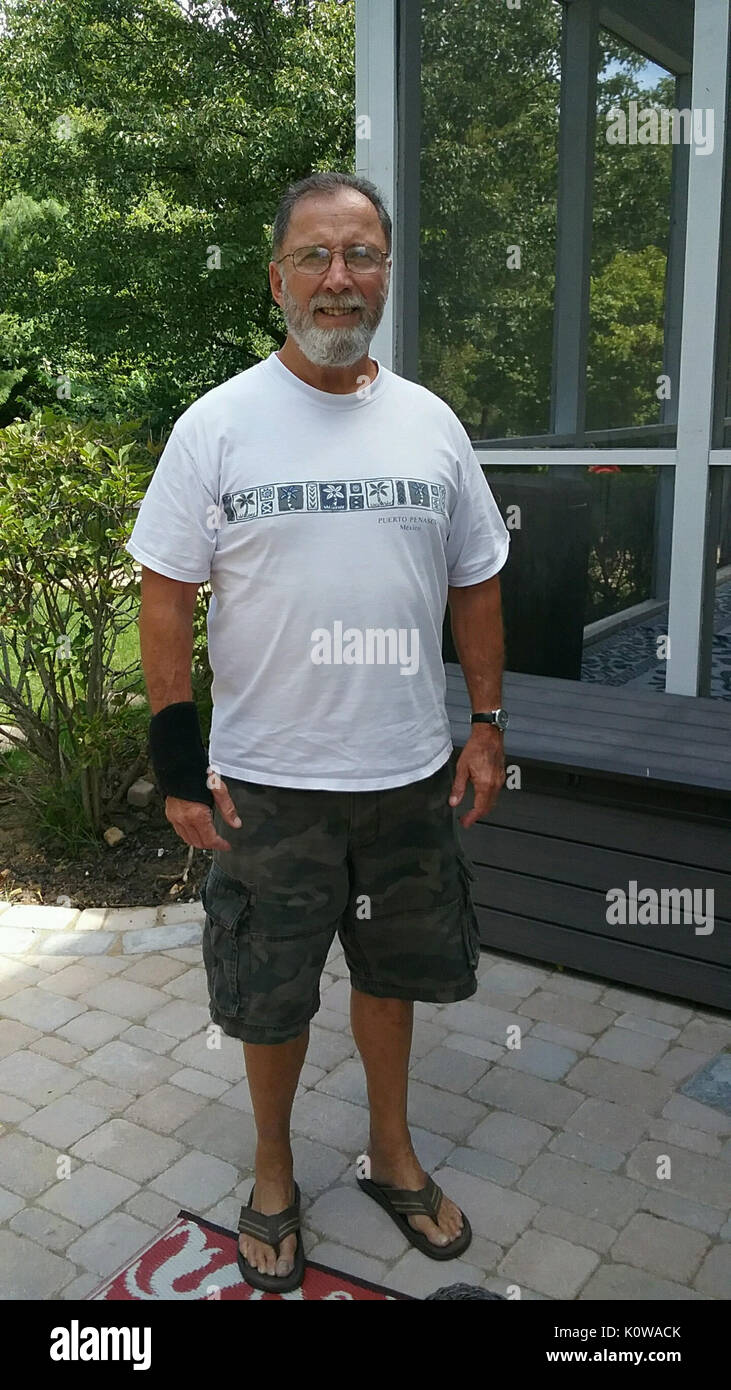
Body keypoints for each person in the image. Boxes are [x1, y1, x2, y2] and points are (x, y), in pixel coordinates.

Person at [127, 171, 510, 1293]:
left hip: (405, 778)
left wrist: (485, 724)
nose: (337, 278)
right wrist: (174, 760)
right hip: (267, 786)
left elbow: (476, 580)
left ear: (385, 272)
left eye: (360, 255)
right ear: (276, 278)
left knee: (388, 977)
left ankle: (391, 1156)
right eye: (314, 257)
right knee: (269, 988)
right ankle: (275, 1172)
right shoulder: (218, 425)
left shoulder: (431, 424)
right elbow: (165, 594)